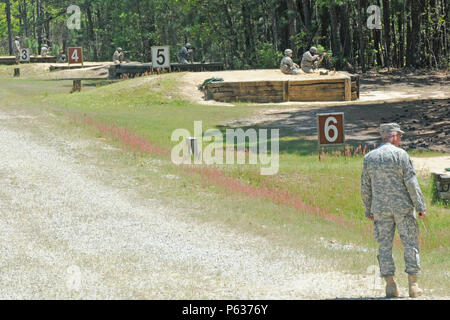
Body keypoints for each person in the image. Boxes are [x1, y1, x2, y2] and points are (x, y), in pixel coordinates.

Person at [361, 123, 427, 298]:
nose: (401, 139)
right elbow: (411, 183)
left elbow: (365, 188)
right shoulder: (401, 155)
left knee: (384, 246)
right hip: (403, 207)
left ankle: (390, 285)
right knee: (410, 244)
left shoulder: (369, 158)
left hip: (380, 209)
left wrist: (368, 210)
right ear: (395, 136)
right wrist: (420, 206)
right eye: (400, 136)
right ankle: (413, 285)